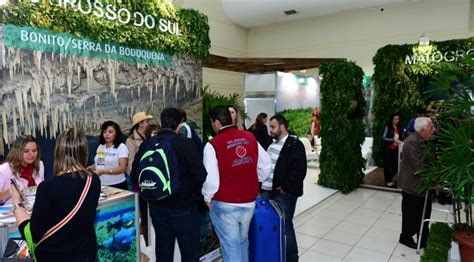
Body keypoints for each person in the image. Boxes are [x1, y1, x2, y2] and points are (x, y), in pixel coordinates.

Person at [10, 128, 101, 261]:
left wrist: (17, 204)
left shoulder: (48, 187)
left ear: (58, 152)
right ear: (84, 151)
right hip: (86, 253)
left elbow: (33, 234)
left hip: (55, 255)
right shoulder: (93, 180)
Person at [131, 107, 207, 262]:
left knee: (163, 253)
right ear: (180, 124)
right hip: (184, 208)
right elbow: (201, 175)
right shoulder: (185, 143)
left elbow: (134, 175)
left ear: (160, 122)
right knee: (189, 253)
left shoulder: (147, 144)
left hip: (157, 208)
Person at [202, 105, 271, 262]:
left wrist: (207, 197)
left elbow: (211, 180)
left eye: (212, 122)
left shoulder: (213, 145)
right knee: (242, 241)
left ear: (217, 122)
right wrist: (254, 179)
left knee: (230, 246)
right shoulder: (250, 137)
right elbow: (266, 164)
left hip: (225, 204)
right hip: (249, 202)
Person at [263, 114, 307, 262]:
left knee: (285, 227)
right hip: (268, 192)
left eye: (273, 127)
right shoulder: (272, 143)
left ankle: (292, 258)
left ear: (282, 127)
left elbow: (299, 170)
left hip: (283, 194)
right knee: (273, 226)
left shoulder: (294, 145)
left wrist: (285, 187)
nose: (270, 130)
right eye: (270, 126)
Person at [398, 117, 435, 249]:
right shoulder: (412, 142)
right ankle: (405, 237)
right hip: (412, 185)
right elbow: (418, 166)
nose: (434, 130)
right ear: (423, 129)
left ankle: (423, 237)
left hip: (424, 185)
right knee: (411, 214)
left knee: (425, 212)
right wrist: (434, 177)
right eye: (431, 127)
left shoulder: (425, 140)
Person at [125, 112, 153, 245]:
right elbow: (130, 162)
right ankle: (145, 241)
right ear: (140, 124)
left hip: (151, 178)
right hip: (138, 180)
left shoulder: (150, 136)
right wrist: (136, 177)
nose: (148, 123)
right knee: (141, 211)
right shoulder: (131, 141)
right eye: (146, 121)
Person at [0, 135, 44, 204]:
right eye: (26, 151)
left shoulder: (39, 165)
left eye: (34, 150)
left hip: (36, 208)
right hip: (13, 211)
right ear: (17, 152)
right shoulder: (4, 169)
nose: (31, 154)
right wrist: (11, 191)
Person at [88, 121, 129, 190]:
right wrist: (91, 168)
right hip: (101, 184)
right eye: (104, 132)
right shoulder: (101, 147)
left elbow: (122, 169)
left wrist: (103, 171)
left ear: (116, 134)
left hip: (117, 185)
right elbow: (100, 163)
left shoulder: (121, 147)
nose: (107, 134)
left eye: (110, 132)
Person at [383, 112, 404, 187]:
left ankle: (389, 178)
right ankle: (387, 181)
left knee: (396, 165)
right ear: (392, 119)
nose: (397, 120)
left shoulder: (400, 127)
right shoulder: (388, 127)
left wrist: (401, 141)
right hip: (388, 148)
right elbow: (384, 137)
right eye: (395, 119)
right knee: (387, 165)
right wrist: (393, 140)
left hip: (397, 149)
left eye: (398, 119)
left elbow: (402, 137)